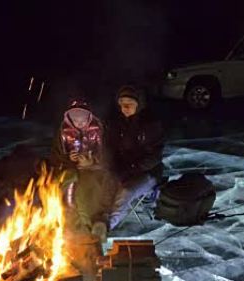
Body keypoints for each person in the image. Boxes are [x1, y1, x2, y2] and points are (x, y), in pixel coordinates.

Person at [50, 99, 116, 242]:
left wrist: (92, 161)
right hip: (71, 168)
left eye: (82, 119)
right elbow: (56, 157)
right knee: (68, 180)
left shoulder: (98, 130)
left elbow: (107, 154)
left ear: (89, 117)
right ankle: (67, 217)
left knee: (101, 184)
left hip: (96, 168)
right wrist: (69, 159)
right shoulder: (63, 133)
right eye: (75, 119)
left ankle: (98, 221)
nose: (79, 122)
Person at [105, 85, 165, 230]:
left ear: (139, 105)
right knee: (102, 184)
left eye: (130, 103)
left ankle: (105, 228)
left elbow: (154, 157)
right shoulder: (116, 124)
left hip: (147, 173)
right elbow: (110, 150)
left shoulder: (150, 125)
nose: (125, 106)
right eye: (122, 103)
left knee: (126, 191)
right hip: (123, 171)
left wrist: (132, 169)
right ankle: (93, 221)